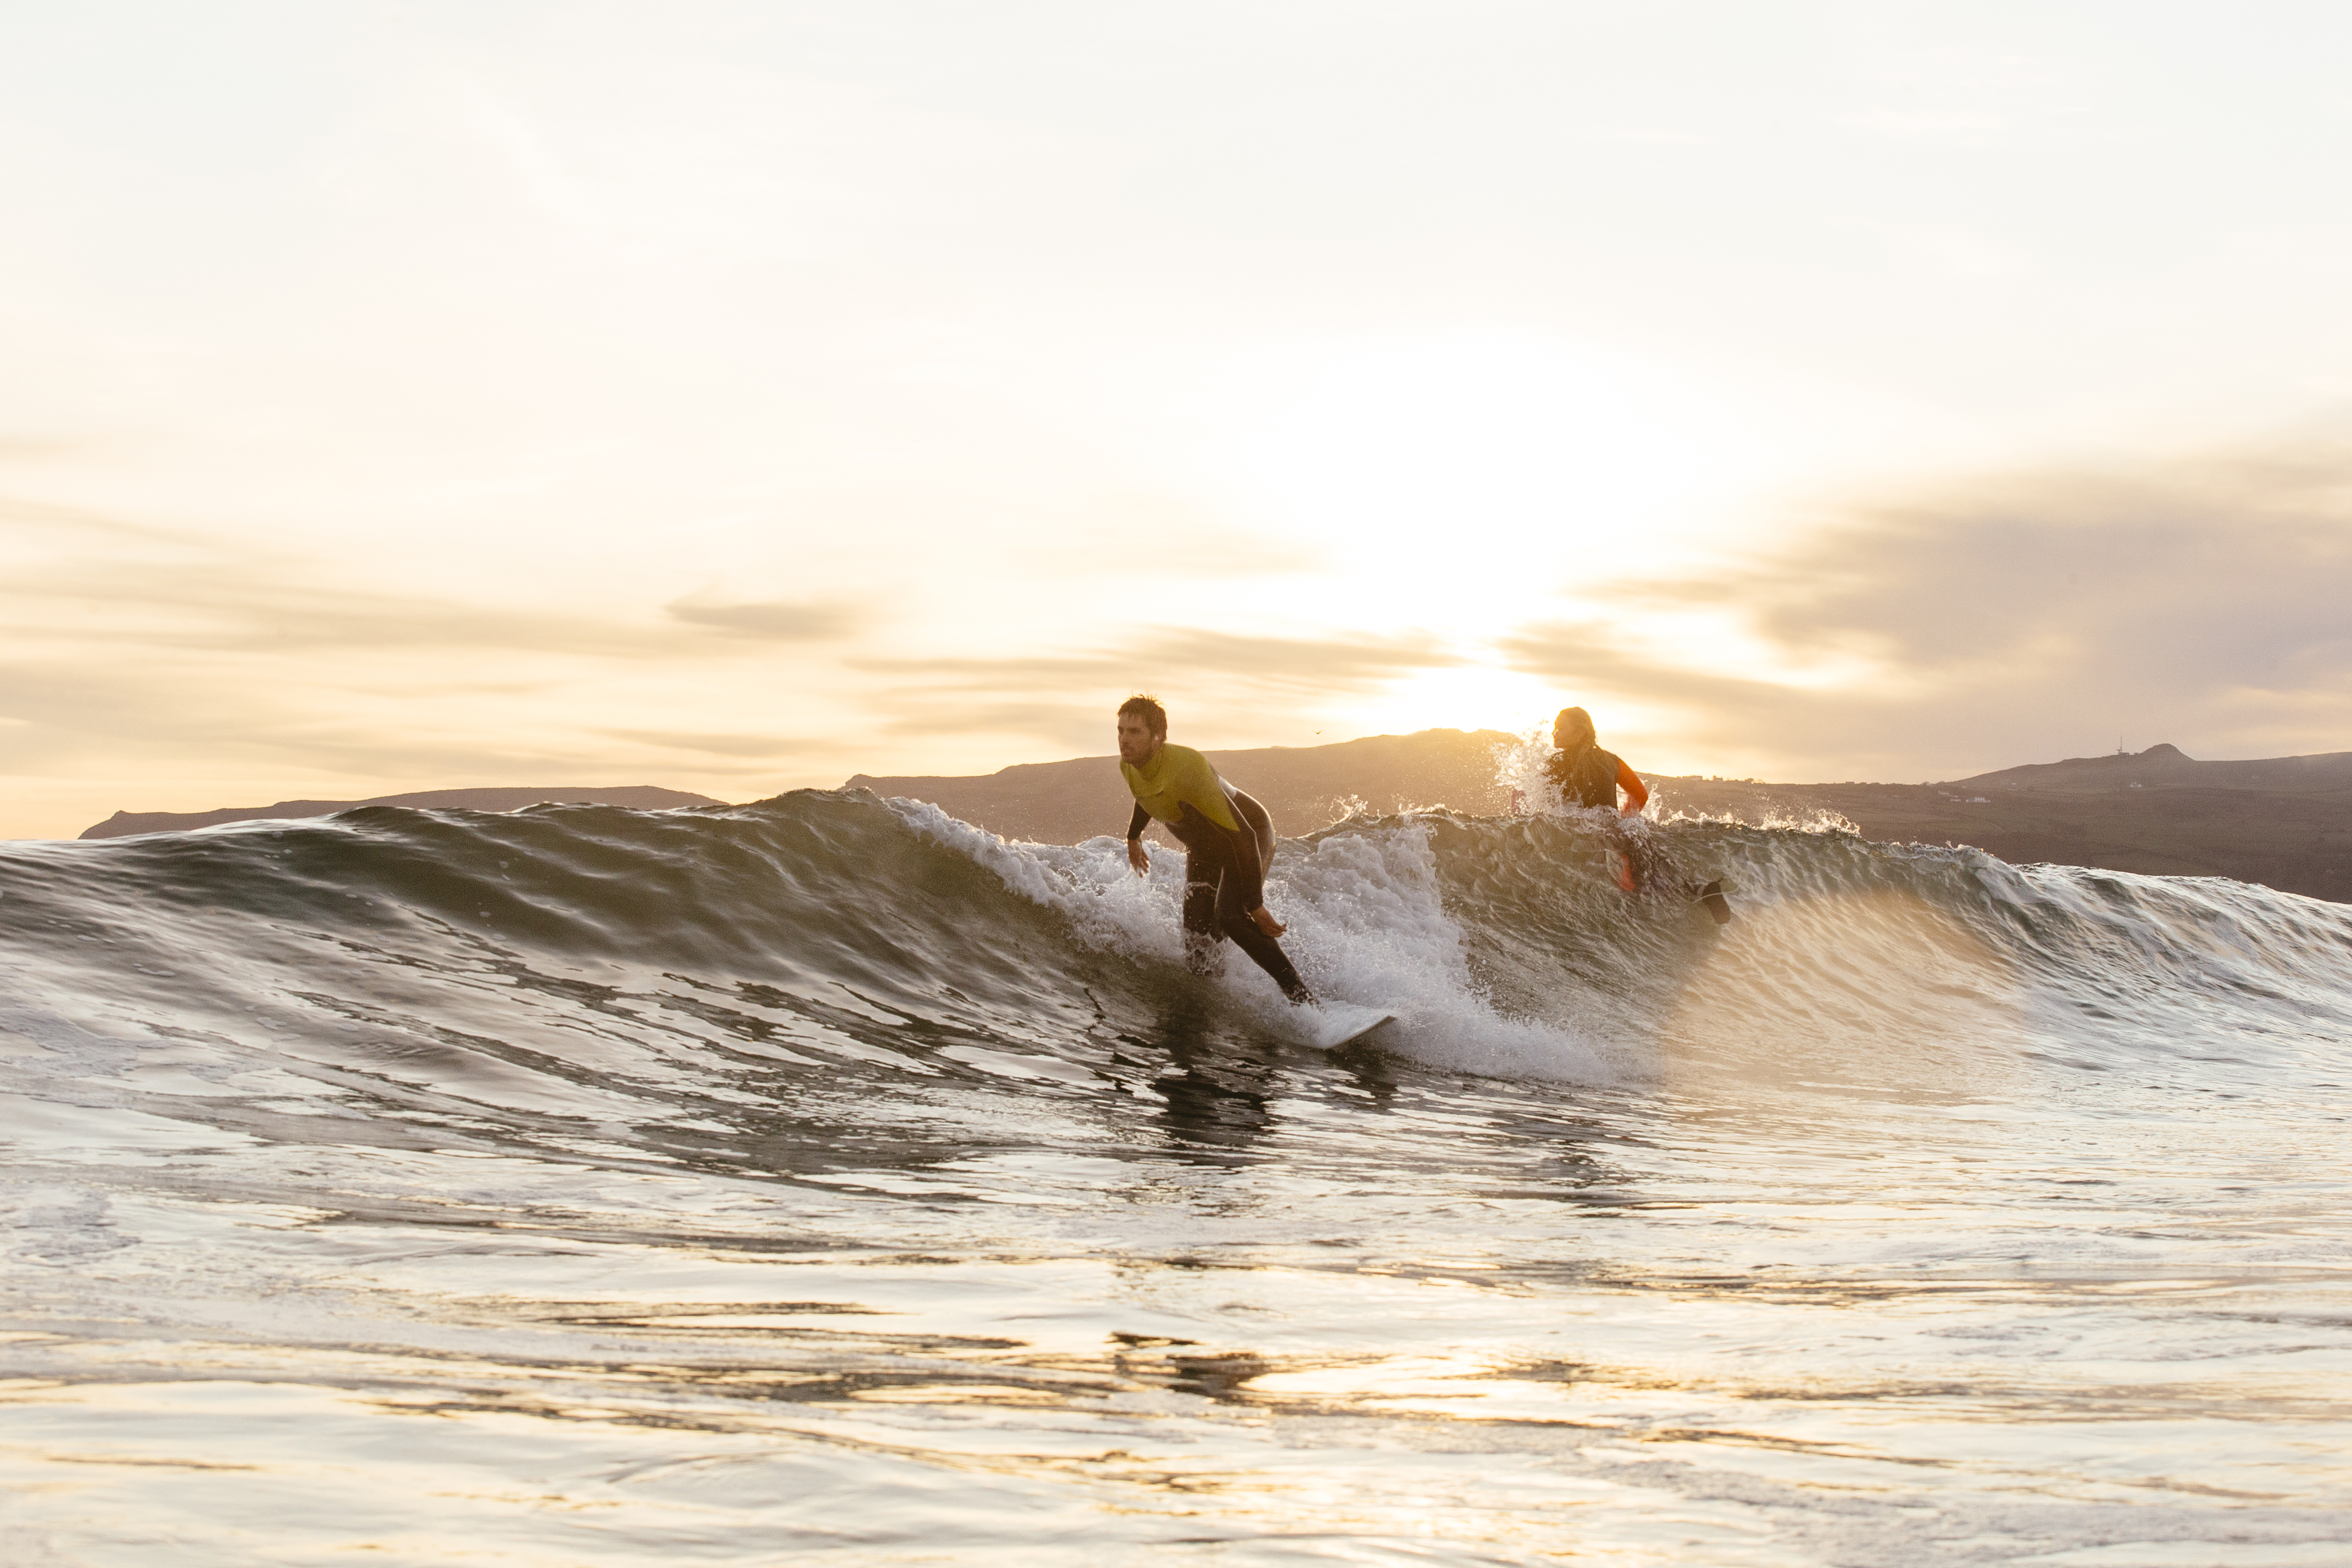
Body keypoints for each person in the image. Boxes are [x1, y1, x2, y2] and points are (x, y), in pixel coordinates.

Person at [1117, 694, 1318, 1004]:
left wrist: (1255, 906)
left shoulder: (1187, 767)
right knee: (1197, 943)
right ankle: (1214, 1006)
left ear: (1157, 739)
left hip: (1249, 836)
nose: (1124, 740)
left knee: (1230, 916)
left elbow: (1245, 836)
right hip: (1204, 849)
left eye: (1134, 732)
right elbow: (1147, 795)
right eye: (1121, 731)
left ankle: (1303, 998)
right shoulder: (1130, 766)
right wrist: (1133, 837)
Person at [1544, 705, 1731, 923]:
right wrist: (1622, 822)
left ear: (1580, 733)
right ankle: (1703, 889)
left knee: (1635, 895)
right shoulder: (1611, 760)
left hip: (1594, 838)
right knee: (1658, 876)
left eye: (1561, 728)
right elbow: (1640, 795)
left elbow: (1547, 810)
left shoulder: (1556, 764)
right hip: (1624, 833)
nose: (1554, 732)